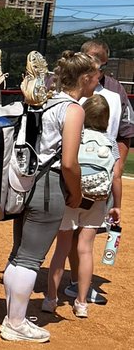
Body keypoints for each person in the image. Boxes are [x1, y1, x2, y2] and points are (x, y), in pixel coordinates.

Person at [0, 49, 99, 343]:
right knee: (31, 259)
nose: (98, 82)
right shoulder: (74, 109)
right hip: (50, 186)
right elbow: (68, 162)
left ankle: (13, 315)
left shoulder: (45, 102)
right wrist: (78, 192)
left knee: (19, 254)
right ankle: (15, 322)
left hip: (25, 181)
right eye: (96, 77)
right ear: (84, 78)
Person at [62, 38, 132, 304]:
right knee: (73, 231)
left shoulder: (115, 92)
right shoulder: (67, 82)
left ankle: (78, 284)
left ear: (103, 65)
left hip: (102, 168)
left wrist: (118, 164)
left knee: (87, 231)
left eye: (97, 63)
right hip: (72, 168)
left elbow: (126, 132)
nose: (92, 68)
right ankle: (74, 282)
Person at [43, 94, 121, 317]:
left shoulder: (77, 135)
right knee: (85, 249)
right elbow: (115, 177)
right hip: (96, 200)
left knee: (61, 249)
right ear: (106, 118)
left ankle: (50, 299)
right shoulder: (111, 143)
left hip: (71, 196)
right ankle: (81, 303)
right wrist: (118, 206)